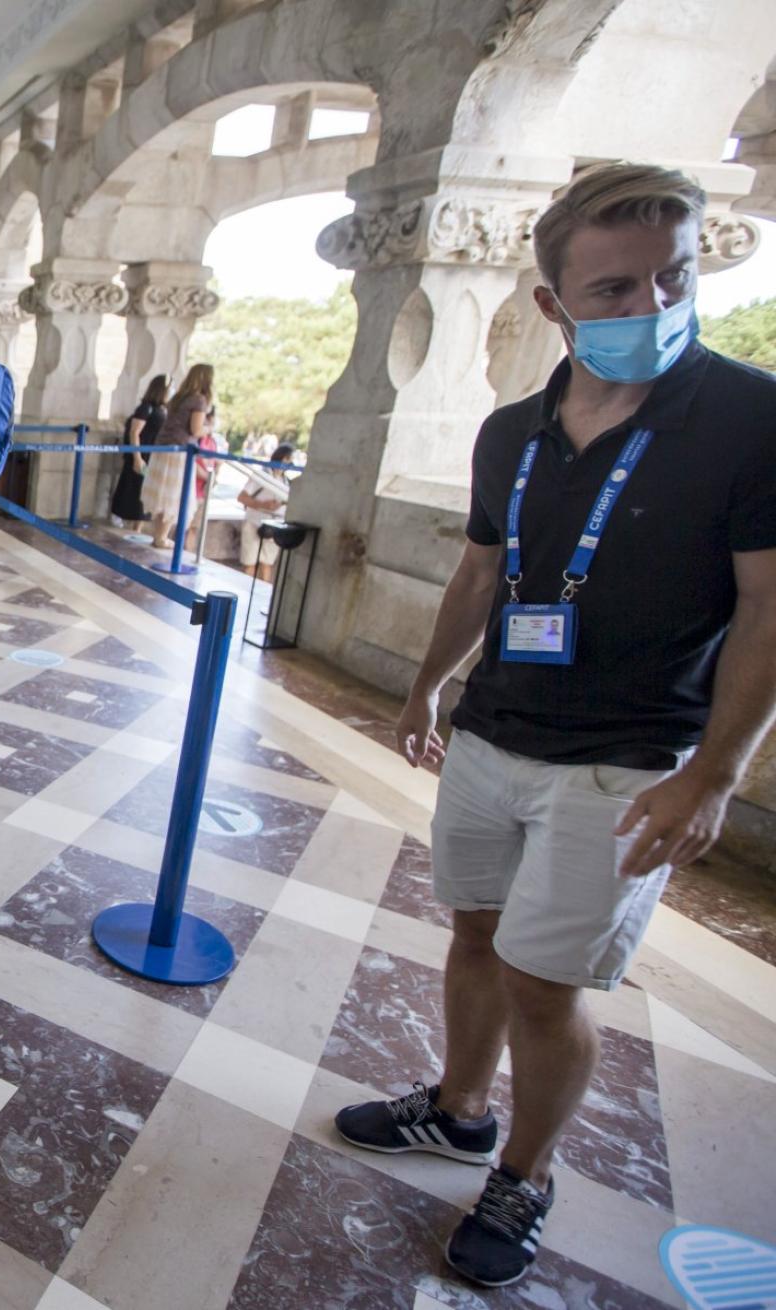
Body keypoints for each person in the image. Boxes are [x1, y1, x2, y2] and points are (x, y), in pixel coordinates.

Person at [335, 161, 776, 1289]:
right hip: (494, 733)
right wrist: (430, 685)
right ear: (554, 306)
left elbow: (770, 602)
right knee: (476, 933)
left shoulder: (747, 416)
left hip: (625, 762)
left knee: (547, 979)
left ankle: (524, 1173)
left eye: (673, 278)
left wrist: (716, 771)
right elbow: (483, 572)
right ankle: (459, 1108)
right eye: (618, 289)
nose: (654, 308)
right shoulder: (511, 434)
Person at [141, 363, 219, 550]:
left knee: (162, 494)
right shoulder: (199, 400)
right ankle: (161, 537)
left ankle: (158, 535)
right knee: (174, 495)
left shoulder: (178, 397)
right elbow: (195, 429)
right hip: (179, 452)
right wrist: (210, 428)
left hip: (162, 449)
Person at [235, 440, 297, 582]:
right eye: (287, 458)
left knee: (267, 564)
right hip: (254, 522)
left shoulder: (286, 482)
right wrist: (262, 504)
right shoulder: (262, 475)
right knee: (250, 563)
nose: (288, 463)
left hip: (274, 526)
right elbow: (242, 497)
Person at [110, 373, 166, 528]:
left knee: (144, 492)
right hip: (140, 455)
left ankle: (138, 528)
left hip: (151, 456)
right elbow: (134, 432)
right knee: (132, 488)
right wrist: (137, 457)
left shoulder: (162, 409)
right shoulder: (145, 408)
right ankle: (120, 517)